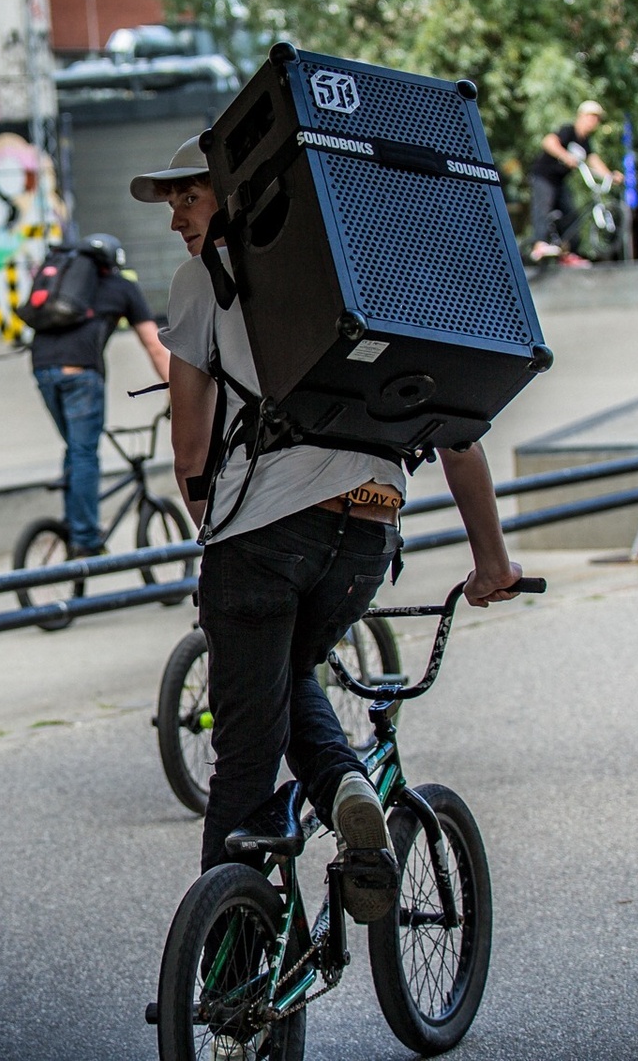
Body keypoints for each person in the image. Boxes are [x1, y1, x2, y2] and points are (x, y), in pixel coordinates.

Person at [135, 135, 528, 921]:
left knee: (242, 767)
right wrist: (492, 561)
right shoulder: (372, 278)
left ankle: (229, 981)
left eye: (192, 195)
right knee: (290, 672)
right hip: (367, 539)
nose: (178, 215)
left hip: (265, 535)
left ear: (239, 195)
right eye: (173, 199)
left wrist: (218, 530)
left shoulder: (201, 282)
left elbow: (188, 449)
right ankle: (348, 783)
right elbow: (459, 434)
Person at [28, 232, 170, 556]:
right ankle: (86, 537)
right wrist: (175, 388)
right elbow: (154, 345)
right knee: (84, 453)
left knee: (75, 449)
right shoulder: (123, 287)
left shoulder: (65, 284)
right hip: (81, 374)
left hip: (42, 368)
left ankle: (74, 519)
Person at [528, 100, 613, 266]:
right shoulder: (569, 131)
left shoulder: (585, 142)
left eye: (596, 119)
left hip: (559, 181)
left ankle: (568, 253)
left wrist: (610, 175)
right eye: (591, 117)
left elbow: (594, 161)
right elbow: (548, 142)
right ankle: (538, 244)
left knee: (571, 214)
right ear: (581, 116)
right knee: (543, 208)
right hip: (544, 177)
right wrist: (564, 155)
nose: (593, 122)